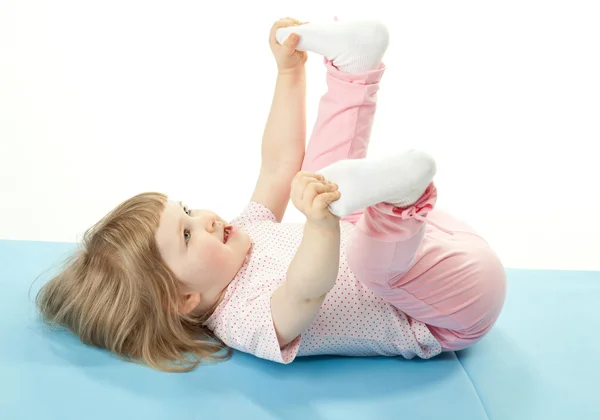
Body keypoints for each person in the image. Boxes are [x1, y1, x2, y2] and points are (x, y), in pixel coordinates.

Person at [36, 18, 506, 372]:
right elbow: (305, 292)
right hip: (450, 308)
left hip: (426, 242)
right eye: (185, 234)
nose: (205, 218)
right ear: (181, 299)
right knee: (353, 244)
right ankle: (397, 200)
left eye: (188, 210)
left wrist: (288, 72)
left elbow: (279, 163)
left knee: (312, 182)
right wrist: (321, 225)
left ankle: (354, 70)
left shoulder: (248, 233)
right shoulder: (243, 321)